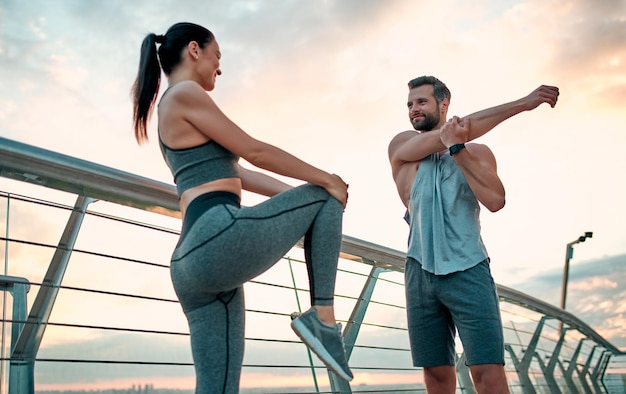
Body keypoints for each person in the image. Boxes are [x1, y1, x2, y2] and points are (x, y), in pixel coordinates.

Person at [131, 22, 353, 393]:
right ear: (194, 50)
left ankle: (322, 319)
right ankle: (323, 318)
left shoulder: (172, 110)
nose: (220, 66)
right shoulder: (185, 92)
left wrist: (305, 199)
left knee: (217, 387)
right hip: (215, 237)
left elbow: (242, 173)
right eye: (217, 54)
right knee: (328, 194)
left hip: (194, 265)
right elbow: (255, 150)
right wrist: (327, 181)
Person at [388, 76, 559, 393]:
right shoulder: (402, 147)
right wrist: (522, 104)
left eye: (421, 102)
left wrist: (458, 149)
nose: (414, 109)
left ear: (443, 105)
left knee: (487, 371)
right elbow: (456, 130)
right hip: (419, 271)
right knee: (436, 374)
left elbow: (495, 200)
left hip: (469, 270)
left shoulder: (479, 151)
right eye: (410, 104)